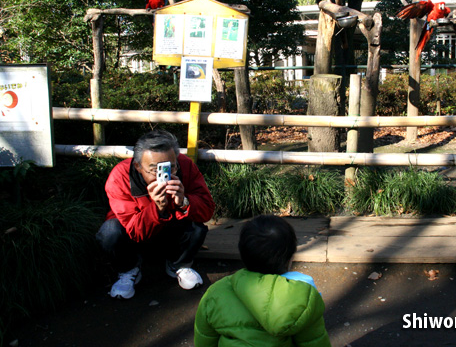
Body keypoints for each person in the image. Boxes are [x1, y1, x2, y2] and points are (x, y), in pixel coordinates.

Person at [96, 129, 215, 299]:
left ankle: (178, 264)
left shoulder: (185, 165)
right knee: (109, 232)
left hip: (172, 230)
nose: (163, 176)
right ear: (137, 166)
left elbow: (207, 210)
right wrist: (156, 208)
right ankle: (129, 269)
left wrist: (184, 201)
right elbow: (135, 231)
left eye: (170, 167)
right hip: (135, 238)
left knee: (196, 225)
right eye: (154, 169)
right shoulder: (120, 176)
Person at [194, 215, 331, 347]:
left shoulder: (215, 294)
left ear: (242, 252)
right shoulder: (304, 298)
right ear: (290, 258)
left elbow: (204, 340)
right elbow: (314, 342)